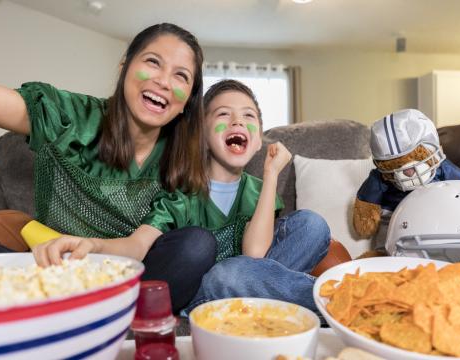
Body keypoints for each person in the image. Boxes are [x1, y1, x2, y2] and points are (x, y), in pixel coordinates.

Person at [0, 5, 216, 313]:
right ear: (124, 67)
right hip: (51, 273)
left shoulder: (181, 163)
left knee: (197, 245)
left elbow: (137, 246)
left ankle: (90, 313)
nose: (163, 81)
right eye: (153, 62)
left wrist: (92, 247)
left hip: (125, 276)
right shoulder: (68, 117)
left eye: (181, 76)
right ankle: (64, 309)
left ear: (187, 101)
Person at [34, 80, 331, 313]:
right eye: (224, 114)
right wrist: (94, 245)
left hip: (247, 277)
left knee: (312, 225)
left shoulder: (258, 189)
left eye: (248, 116)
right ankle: (333, 299)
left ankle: (261, 305)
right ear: (201, 135)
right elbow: (139, 245)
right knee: (228, 275)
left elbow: (257, 254)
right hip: (206, 289)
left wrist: (270, 176)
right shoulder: (182, 192)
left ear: (257, 142)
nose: (238, 123)